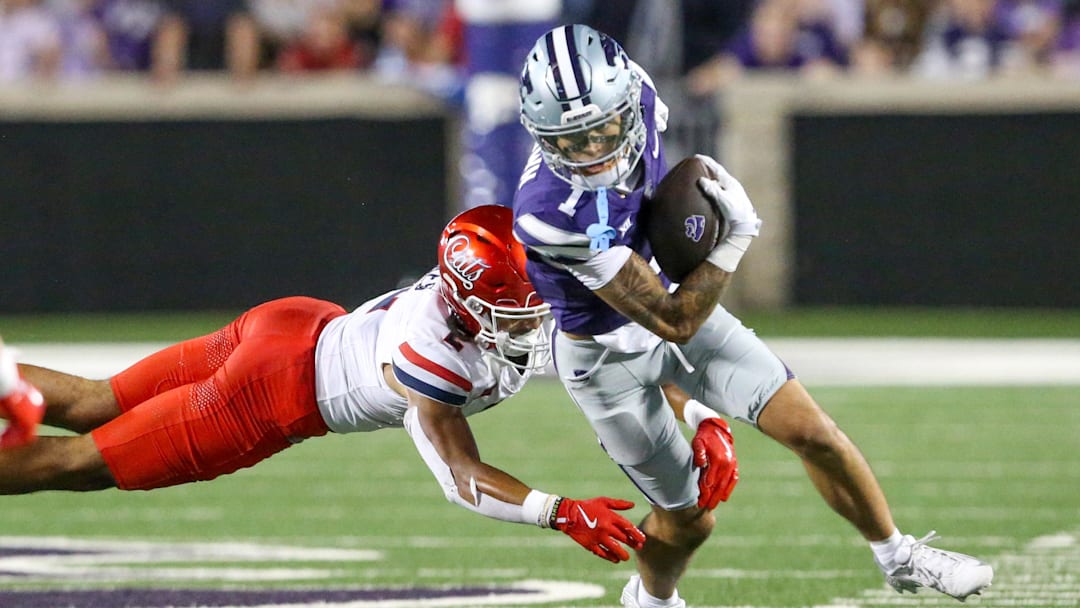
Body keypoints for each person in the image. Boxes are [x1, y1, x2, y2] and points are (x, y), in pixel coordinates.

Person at [512, 24, 994, 607]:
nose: (591, 153)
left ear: (626, 105)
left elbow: (664, 232)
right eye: (571, 142)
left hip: (662, 299)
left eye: (603, 131)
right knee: (689, 520)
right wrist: (733, 237)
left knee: (814, 432)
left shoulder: (637, 89)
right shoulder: (550, 216)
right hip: (604, 357)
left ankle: (899, 556)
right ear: (542, 136)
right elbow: (672, 324)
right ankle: (652, 599)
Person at [0, 205, 655, 564]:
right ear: (469, 305)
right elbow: (459, 476)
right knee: (84, 462)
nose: (535, 317)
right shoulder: (431, 357)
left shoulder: (481, 289)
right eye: (517, 310)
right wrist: (558, 510)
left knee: (98, 401)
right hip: (271, 392)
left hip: (290, 325)